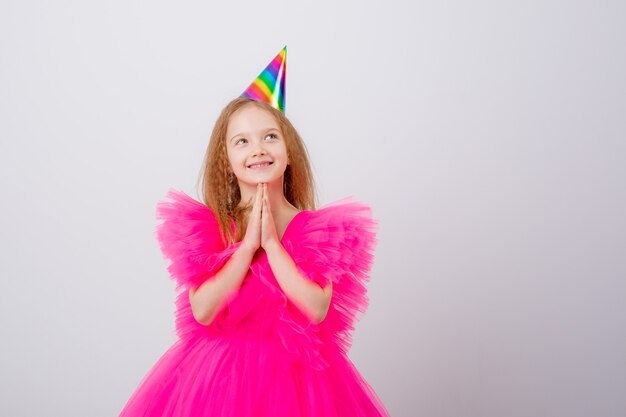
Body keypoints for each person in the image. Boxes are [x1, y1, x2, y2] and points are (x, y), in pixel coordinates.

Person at [119, 47, 391, 417]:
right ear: (227, 162)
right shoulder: (213, 227)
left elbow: (316, 308)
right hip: (220, 382)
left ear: (289, 152)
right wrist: (246, 247)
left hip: (298, 385)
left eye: (270, 137)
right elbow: (203, 309)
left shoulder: (315, 230)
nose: (257, 149)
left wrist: (272, 246)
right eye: (242, 141)